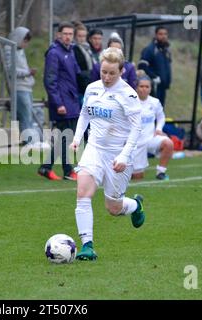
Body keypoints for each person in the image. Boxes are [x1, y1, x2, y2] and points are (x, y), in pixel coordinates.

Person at [70, 47, 145, 261]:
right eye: (103, 71)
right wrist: (77, 138)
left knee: (113, 208)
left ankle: (135, 205)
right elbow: (84, 114)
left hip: (118, 154)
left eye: (112, 73)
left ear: (121, 71)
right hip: (94, 149)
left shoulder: (128, 95)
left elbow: (136, 129)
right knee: (83, 193)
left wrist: (124, 155)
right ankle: (87, 246)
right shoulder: (92, 88)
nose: (106, 77)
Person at [38, 22, 81, 181]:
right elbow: (50, 80)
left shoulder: (70, 51)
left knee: (65, 137)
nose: (68, 37)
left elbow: (75, 74)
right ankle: (68, 170)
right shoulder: (54, 53)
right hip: (63, 102)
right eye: (65, 34)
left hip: (71, 99)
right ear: (58, 35)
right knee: (66, 136)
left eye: (71, 34)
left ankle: (46, 167)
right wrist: (58, 103)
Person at [132, 76, 173, 181]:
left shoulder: (154, 102)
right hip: (135, 143)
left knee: (168, 143)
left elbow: (161, 116)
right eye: (141, 86)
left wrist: (159, 129)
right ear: (136, 87)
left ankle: (161, 172)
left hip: (150, 139)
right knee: (137, 177)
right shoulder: (130, 102)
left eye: (147, 86)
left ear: (150, 88)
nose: (144, 89)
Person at [4, 26, 38, 145]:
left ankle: (30, 140)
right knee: (25, 115)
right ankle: (28, 142)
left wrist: (29, 74)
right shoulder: (9, 49)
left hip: (26, 87)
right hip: (18, 88)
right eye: (25, 41)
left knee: (29, 115)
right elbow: (11, 71)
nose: (26, 44)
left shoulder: (20, 50)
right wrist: (28, 73)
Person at [138, 26, 172, 107]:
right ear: (156, 35)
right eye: (160, 34)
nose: (163, 36)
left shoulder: (166, 50)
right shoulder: (150, 49)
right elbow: (142, 66)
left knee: (160, 110)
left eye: (165, 34)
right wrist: (154, 77)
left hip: (163, 87)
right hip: (153, 87)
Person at [73, 22, 94, 100]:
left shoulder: (88, 49)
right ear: (75, 37)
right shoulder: (74, 49)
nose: (82, 38)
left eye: (84, 36)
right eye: (79, 36)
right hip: (81, 85)